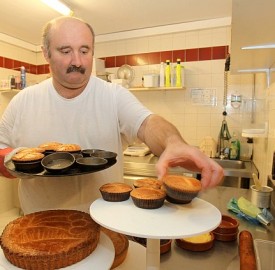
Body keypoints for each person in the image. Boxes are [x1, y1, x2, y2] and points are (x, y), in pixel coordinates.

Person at [0, 16, 223, 215]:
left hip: (105, 227)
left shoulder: (112, 95)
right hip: (38, 228)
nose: (77, 61)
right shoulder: (23, 101)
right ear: (46, 52)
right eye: (65, 51)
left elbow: (148, 123)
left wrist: (173, 142)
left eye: (84, 51)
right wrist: (16, 165)